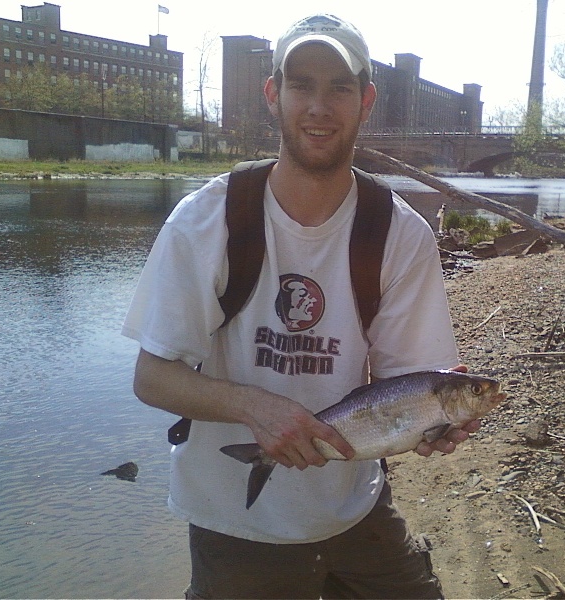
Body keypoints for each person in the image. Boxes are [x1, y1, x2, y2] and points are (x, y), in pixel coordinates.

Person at [122, 13, 480, 599]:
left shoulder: (399, 233)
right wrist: (253, 407)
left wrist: (432, 429)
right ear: (273, 94)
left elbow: (408, 385)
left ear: (366, 101)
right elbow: (152, 379)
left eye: (339, 87)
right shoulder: (206, 221)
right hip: (233, 521)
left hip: (355, 509)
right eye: (301, 84)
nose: (319, 105)